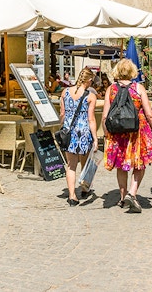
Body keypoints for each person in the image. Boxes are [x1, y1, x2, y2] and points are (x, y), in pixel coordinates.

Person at [102, 58, 152, 213]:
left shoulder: (111, 89)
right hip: (137, 132)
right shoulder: (138, 88)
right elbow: (149, 114)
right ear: (133, 71)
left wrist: (107, 135)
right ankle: (132, 193)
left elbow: (105, 117)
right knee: (139, 163)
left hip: (118, 132)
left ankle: (122, 197)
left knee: (121, 165)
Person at [59, 67, 98, 206]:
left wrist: (62, 127)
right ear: (88, 80)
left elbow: (62, 114)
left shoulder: (65, 92)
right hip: (83, 133)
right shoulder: (90, 96)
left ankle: (71, 195)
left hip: (69, 133)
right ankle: (84, 188)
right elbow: (91, 119)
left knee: (71, 165)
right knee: (85, 163)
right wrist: (95, 138)